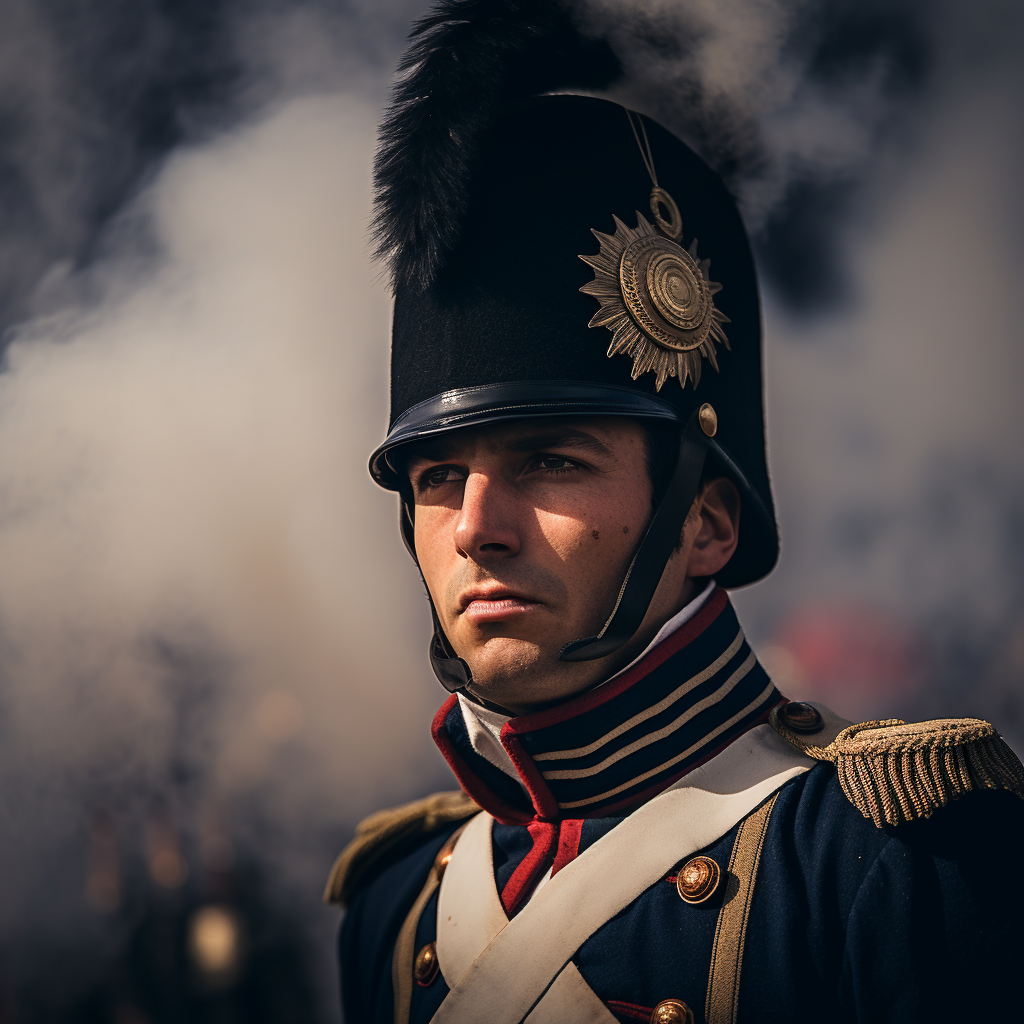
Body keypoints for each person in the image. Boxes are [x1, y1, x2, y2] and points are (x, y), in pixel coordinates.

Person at [326, 3, 1024, 1022]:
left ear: (706, 522)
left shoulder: (895, 860)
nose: (478, 524)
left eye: (549, 460)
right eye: (436, 477)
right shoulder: (393, 906)